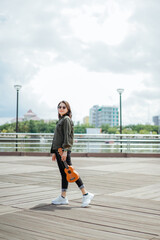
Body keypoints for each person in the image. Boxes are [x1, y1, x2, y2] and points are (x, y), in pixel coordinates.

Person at [50, 100, 94, 207]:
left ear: (68, 109)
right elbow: (57, 138)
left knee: (70, 172)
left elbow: (68, 137)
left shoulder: (66, 120)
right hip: (59, 151)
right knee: (64, 174)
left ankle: (86, 194)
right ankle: (63, 197)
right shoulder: (61, 120)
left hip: (63, 151)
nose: (61, 108)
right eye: (59, 107)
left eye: (63, 107)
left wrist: (65, 150)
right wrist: (54, 151)